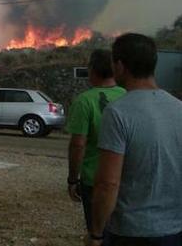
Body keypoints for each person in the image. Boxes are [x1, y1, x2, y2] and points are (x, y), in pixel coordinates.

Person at [88, 33, 182, 246]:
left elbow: (107, 183)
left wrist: (96, 233)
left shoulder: (118, 112)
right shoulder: (179, 108)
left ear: (120, 66)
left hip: (132, 231)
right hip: (175, 230)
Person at [65, 49, 125, 235]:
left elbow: (78, 145)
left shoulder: (84, 101)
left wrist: (73, 179)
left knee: (98, 231)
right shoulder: (128, 95)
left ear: (92, 70)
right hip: (125, 177)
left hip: (95, 179)